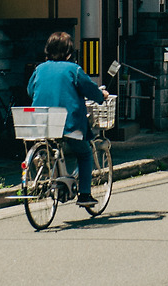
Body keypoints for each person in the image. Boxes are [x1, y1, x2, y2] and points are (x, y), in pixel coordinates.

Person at [27, 31, 108, 206]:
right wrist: (102, 95)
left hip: (41, 121)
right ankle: (85, 195)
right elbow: (90, 90)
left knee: (53, 147)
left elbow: (30, 91)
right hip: (68, 123)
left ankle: (55, 181)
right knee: (84, 153)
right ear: (69, 53)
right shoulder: (74, 70)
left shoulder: (39, 69)